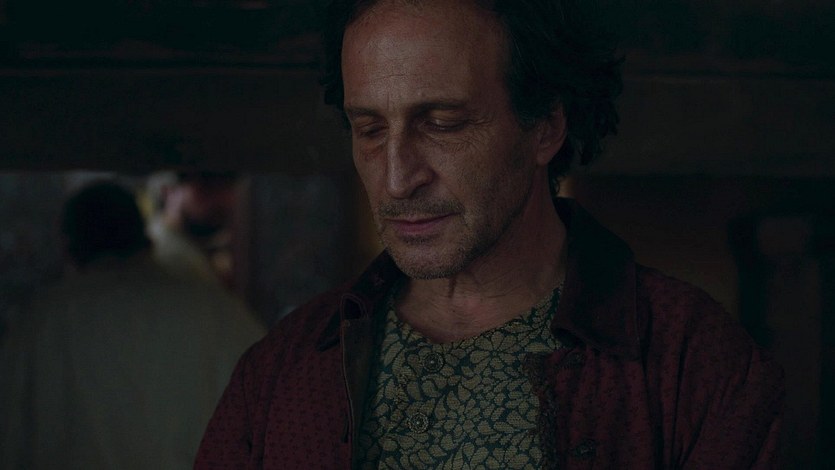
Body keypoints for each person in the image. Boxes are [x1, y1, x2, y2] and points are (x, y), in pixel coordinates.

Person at [195, 0, 784, 468]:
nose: (396, 179)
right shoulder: (281, 369)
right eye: (370, 129)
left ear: (545, 127)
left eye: (443, 124)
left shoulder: (694, 364)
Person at [0, 181, 265, 469]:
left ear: (69, 247)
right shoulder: (215, 310)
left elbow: (10, 434)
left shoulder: (43, 321)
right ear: (146, 238)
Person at [147, 170, 241, 289]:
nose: (222, 199)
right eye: (207, 187)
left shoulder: (195, 247)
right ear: (168, 192)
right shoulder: (161, 252)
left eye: (227, 187)